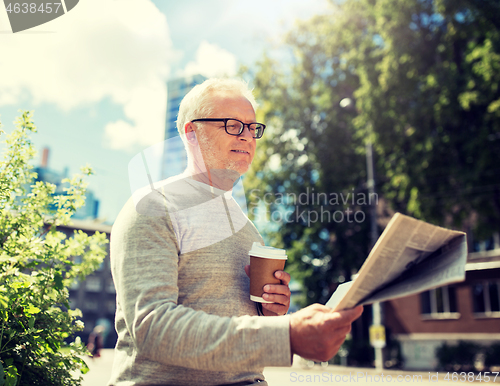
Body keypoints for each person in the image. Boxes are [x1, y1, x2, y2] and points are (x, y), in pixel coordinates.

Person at [108, 78, 363, 386]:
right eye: (232, 125)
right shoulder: (152, 207)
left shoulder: (247, 228)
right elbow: (152, 328)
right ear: (192, 132)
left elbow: (240, 322)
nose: (247, 137)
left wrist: (271, 311)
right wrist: (284, 335)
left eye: (252, 128)